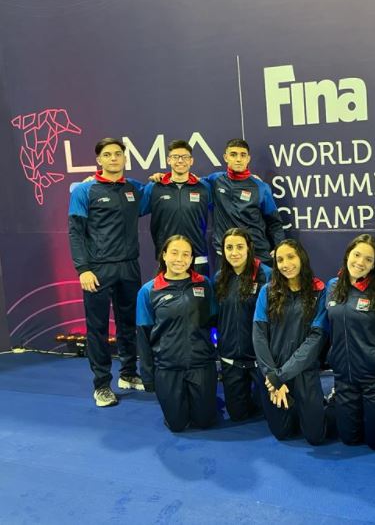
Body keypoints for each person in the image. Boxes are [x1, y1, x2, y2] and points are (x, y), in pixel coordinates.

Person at [68, 137, 146, 406]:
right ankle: (102, 385)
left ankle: (128, 374)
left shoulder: (135, 189)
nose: (114, 158)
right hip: (97, 271)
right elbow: (76, 233)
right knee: (98, 329)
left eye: (118, 154)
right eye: (108, 154)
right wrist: (83, 269)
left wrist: (160, 177)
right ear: (99, 160)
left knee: (129, 324)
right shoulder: (84, 191)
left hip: (129, 267)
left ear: (125, 158)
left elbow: (159, 194)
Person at [322, 234, 375, 450]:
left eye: (368, 259)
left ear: (374, 265)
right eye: (357, 255)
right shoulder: (333, 287)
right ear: (347, 255)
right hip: (344, 377)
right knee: (349, 439)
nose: (360, 262)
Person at [136, 235, 218, 432]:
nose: (179, 259)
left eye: (185, 254)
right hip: (167, 368)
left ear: (191, 259)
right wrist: (147, 375)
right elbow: (143, 336)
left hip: (201, 365)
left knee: (205, 422)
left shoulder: (204, 284)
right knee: (177, 425)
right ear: (163, 255)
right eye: (174, 253)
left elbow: (214, 322)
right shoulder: (148, 291)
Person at [253, 239, 329, 445]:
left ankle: (325, 403)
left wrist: (281, 376)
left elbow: (316, 338)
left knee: (315, 437)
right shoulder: (267, 291)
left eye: (291, 257)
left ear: (302, 258)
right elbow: (259, 336)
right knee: (282, 433)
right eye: (280, 260)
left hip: (303, 374)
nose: (286, 264)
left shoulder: (319, 290)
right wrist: (272, 377)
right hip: (273, 374)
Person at [213, 228, 273, 421]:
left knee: (271, 412)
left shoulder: (267, 275)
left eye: (240, 246)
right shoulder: (219, 278)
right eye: (229, 247)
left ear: (249, 248)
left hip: (261, 360)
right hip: (232, 360)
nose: (234, 252)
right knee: (238, 415)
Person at [205, 139, 285, 264]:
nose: (238, 159)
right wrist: (164, 177)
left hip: (256, 254)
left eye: (243, 155)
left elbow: (274, 222)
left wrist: (280, 247)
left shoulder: (261, 187)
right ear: (226, 157)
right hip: (225, 256)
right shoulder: (215, 180)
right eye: (233, 154)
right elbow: (190, 181)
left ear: (248, 158)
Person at [141, 140, 213, 276]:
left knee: (202, 297)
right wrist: (94, 180)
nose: (180, 161)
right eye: (175, 157)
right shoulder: (154, 187)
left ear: (191, 161)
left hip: (198, 259)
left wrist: (251, 178)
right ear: (168, 160)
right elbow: (132, 205)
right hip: (167, 260)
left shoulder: (204, 187)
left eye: (185, 157)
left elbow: (227, 192)